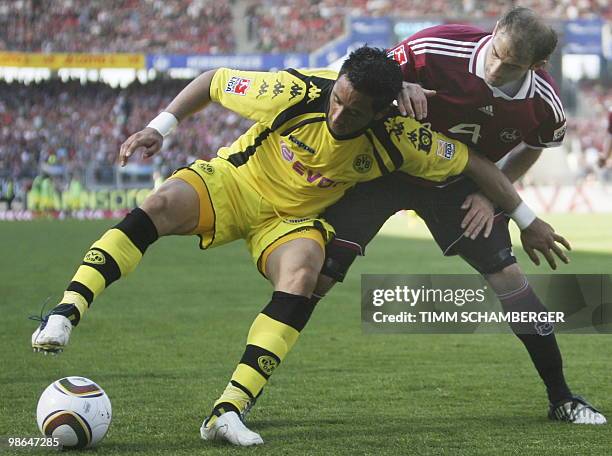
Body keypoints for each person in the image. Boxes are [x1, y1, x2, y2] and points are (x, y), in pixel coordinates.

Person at [31, 47, 569, 446]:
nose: (340, 115)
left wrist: (525, 218)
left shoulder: (402, 139)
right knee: (161, 203)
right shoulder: (292, 90)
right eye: (339, 99)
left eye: (355, 113)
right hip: (235, 184)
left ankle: (228, 410)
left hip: (291, 220)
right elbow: (214, 79)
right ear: (334, 84)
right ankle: (64, 312)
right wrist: (160, 127)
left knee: (305, 272)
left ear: (384, 112)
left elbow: (474, 165)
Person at [316, 8, 607, 425]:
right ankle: (243, 393)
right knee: (318, 276)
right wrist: (404, 83)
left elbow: (535, 145)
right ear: (494, 33)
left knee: (512, 282)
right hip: (390, 166)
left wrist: (494, 195)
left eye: (512, 65)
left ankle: (562, 398)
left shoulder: (546, 104)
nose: (496, 67)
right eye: (496, 53)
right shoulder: (436, 46)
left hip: (462, 184)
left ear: (538, 67)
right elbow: (369, 75)